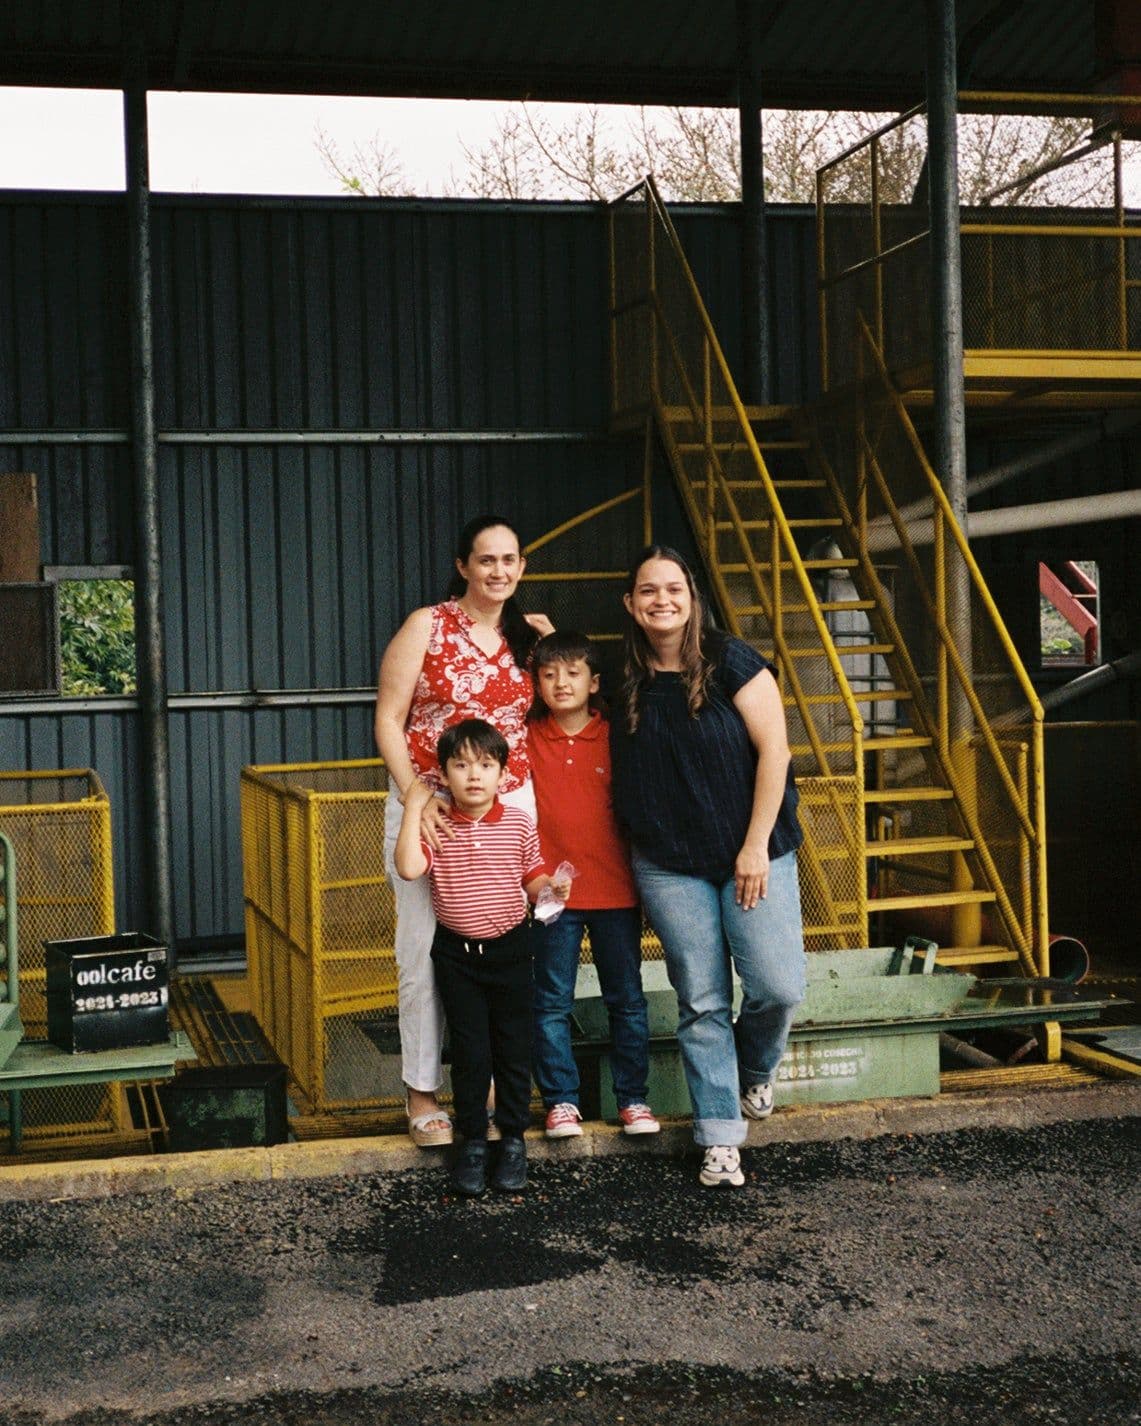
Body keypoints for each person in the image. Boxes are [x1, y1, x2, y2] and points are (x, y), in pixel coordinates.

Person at [609, 546, 806, 1189]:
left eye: (672, 589)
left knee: (778, 987)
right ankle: (720, 1136)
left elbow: (774, 750)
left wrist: (753, 846)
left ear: (691, 597)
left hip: (753, 850)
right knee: (702, 1000)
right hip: (669, 863)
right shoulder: (624, 678)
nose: (660, 601)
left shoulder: (731, 660)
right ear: (631, 604)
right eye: (647, 591)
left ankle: (754, 1071)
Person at [374, 515, 552, 1147]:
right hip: (433, 807)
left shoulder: (529, 636)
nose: (498, 571)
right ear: (463, 565)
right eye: (486, 560)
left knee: (506, 944)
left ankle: (501, 1085)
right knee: (423, 949)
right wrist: (416, 796)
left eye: (510, 559)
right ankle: (422, 1094)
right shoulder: (428, 624)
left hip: (509, 810)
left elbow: (564, 699)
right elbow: (390, 720)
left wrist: (554, 644)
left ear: (521, 567)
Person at [394, 719, 567, 1197]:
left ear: (503, 773)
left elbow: (532, 879)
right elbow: (409, 867)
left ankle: (512, 1139)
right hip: (458, 958)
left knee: (513, 1046)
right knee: (470, 1051)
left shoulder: (517, 821)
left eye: (486, 765)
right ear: (443, 773)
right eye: (461, 765)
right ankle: (473, 1141)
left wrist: (551, 888)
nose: (474, 775)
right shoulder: (437, 822)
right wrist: (415, 805)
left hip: (512, 950)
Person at [526, 630, 659, 1140]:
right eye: (549, 673)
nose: (561, 683)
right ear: (535, 682)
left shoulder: (618, 733)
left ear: (594, 681)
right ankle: (561, 1101)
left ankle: (633, 1100)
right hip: (551, 895)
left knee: (625, 999)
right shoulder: (526, 736)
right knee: (551, 1002)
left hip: (616, 892)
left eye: (573, 672)